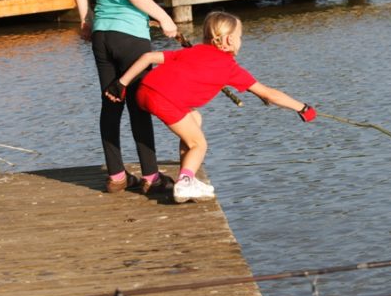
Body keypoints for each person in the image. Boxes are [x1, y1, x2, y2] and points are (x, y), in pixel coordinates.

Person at [106, 11, 316, 203]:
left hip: (144, 90)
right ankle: (185, 183)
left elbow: (149, 57)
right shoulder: (230, 67)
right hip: (163, 99)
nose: (241, 41)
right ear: (229, 40)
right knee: (199, 144)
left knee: (194, 120)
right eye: (240, 37)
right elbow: (269, 94)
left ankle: (186, 177)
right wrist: (302, 108)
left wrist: (121, 84)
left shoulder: (193, 51)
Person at [72, 0, 179, 195]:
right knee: (139, 105)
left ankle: (117, 175)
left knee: (110, 103)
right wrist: (164, 18)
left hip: (102, 35)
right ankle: (150, 177)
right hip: (131, 37)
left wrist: (85, 19)